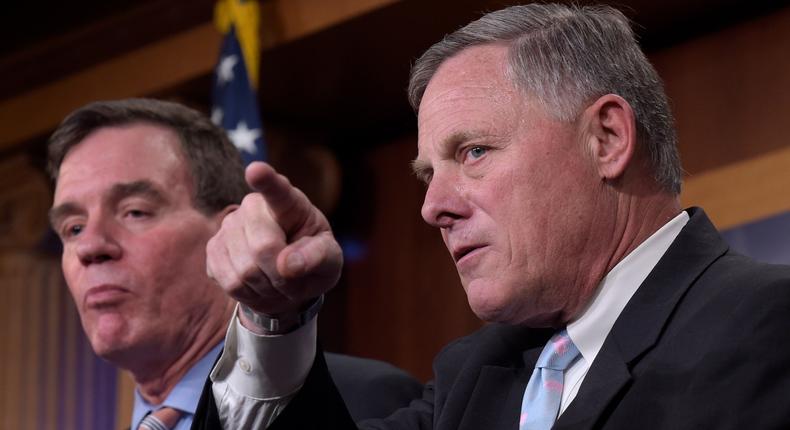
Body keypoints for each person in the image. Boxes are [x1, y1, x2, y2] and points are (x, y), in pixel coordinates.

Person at [199, 3, 790, 430]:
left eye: (473, 152)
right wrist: (276, 320)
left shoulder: (767, 325)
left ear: (607, 139)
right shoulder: (477, 372)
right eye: (429, 174)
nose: (433, 208)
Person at [46, 99, 422, 430]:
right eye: (73, 227)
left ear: (230, 232)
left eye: (135, 212)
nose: (90, 247)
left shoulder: (360, 401)